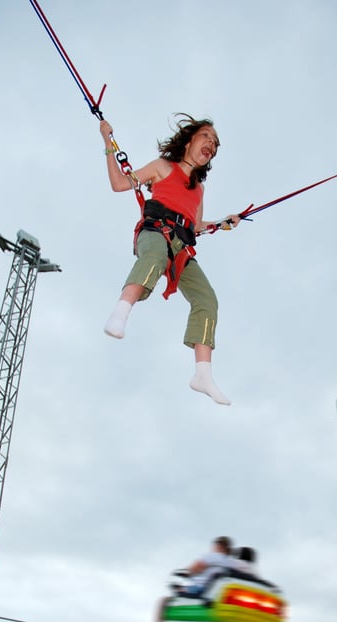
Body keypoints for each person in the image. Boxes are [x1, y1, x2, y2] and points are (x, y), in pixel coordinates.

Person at [99, 115, 240, 405]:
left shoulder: (199, 189)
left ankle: (203, 374)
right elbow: (118, 184)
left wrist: (226, 222)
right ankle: (121, 311)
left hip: (181, 248)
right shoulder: (164, 167)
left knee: (207, 299)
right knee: (153, 257)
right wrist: (107, 142)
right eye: (206, 137)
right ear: (190, 141)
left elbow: (198, 224)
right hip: (155, 232)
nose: (211, 145)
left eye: (215, 144)